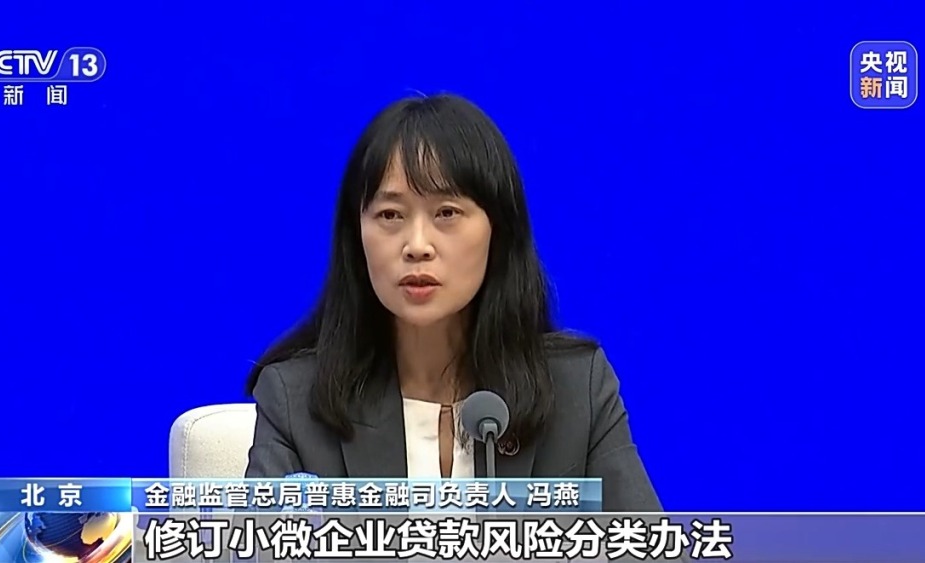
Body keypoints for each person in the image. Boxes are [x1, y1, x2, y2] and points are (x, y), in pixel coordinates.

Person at [244, 93, 662, 512]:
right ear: (356, 237)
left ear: (498, 231)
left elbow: (645, 542)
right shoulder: (296, 401)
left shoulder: (577, 389)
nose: (417, 245)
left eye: (446, 213)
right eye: (391, 215)